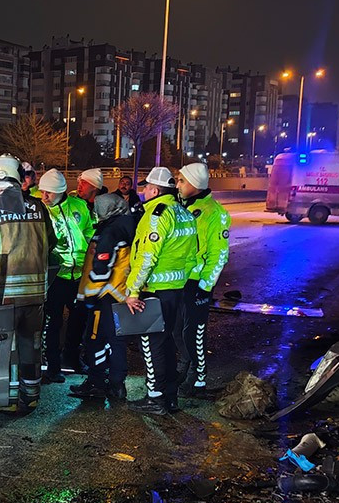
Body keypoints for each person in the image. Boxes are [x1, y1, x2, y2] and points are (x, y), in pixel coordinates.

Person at [0, 154, 55, 413]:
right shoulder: (38, 207)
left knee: (8, 347)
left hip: (5, 292)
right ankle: (31, 396)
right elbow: (52, 243)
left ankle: (9, 399)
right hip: (37, 292)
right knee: (32, 343)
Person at [124, 166, 198, 415]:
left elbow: (146, 257)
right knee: (167, 343)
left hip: (153, 289)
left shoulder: (156, 215)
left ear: (154, 190)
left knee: (152, 344)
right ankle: (170, 396)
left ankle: (155, 399)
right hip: (176, 288)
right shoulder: (184, 213)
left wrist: (133, 290)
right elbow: (191, 255)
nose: (143, 191)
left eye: (145, 187)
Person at [70, 192, 137, 402]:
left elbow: (100, 267)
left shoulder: (109, 231)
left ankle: (96, 382)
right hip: (121, 293)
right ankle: (117, 385)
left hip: (106, 295)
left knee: (94, 339)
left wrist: (90, 296)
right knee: (116, 341)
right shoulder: (129, 225)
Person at [175, 162, 230, 396]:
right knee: (177, 330)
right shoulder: (181, 207)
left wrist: (206, 286)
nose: (177, 184)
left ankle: (198, 380)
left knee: (194, 333)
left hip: (197, 283)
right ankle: (182, 370)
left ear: (195, 185)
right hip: (179, 280)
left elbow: (219, 255)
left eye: (181, 180)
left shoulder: (214, 213)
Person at [40, 168, 94, 384]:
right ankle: (52, 367)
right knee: (52, 323)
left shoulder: (79, 206)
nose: (44, 196)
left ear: (61, 191)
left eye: (49, 193)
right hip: (56, 276)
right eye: (43, 191)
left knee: (79, 320)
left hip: (79, 274)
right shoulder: (42, 210)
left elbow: (90, 233)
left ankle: (72, 358)